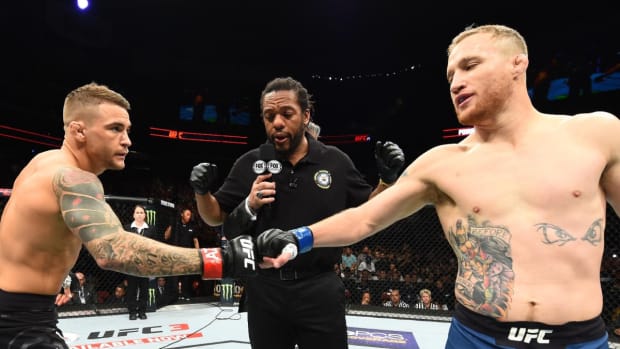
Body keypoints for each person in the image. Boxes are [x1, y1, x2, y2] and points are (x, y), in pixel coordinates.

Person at [257, 24, 618, 348]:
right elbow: (364, 220)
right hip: (475, 336)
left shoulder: (595, 134)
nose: (456, 82)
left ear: (518, 63)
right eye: (450, 76)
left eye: (470, 65)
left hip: (579, 340)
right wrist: (298, 237)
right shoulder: (442, 163)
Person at [0, 82, 257, 348]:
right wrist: (222, 259)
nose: (127, 140)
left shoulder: (43, 161)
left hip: (21, 310)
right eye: (115, 128)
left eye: (127, 130)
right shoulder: (72, 178)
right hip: (20, 322)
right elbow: (113, 250)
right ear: (79, 130)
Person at [189, 76, 405, 349]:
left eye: (286, 113)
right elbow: (215, 216)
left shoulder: (335, 161)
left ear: (306, 116)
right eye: (269, 116)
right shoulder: (250, 163)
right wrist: (201, 191)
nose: (277, 122)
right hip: (265, 290)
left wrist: (387, 179)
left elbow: (371, 210)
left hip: (320, 287)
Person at [123, 204, 154, 320]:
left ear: (145, 215)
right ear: (133, 215)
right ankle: (132, 312)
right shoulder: (127, 228)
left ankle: (142, 311)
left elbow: (154, 247)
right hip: (131, 264)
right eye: (137, 212)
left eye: (141, 212)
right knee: (131, 288)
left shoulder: (151, 229)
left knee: (144, 289)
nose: (139, 214)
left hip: (145, 264)